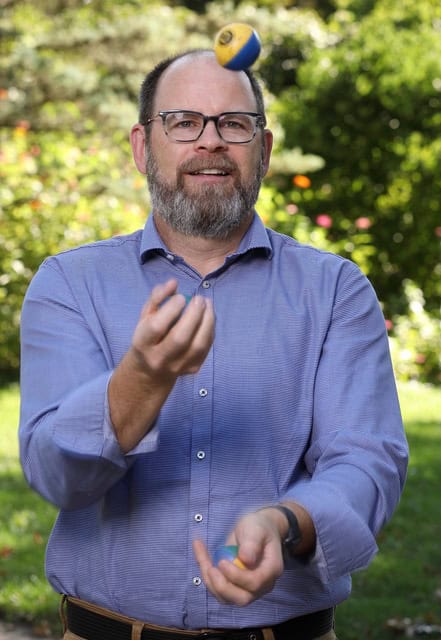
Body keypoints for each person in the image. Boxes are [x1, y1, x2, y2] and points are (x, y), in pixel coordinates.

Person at [19, 49, 408, 640]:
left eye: (233, 123)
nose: (211, 141)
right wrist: (141, 382)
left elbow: (367, 459)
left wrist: (287, 521)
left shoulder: (335, 290)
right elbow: (56, 476)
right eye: (183, 121)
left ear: (265, 150)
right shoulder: (70, 283)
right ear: (142, 147)